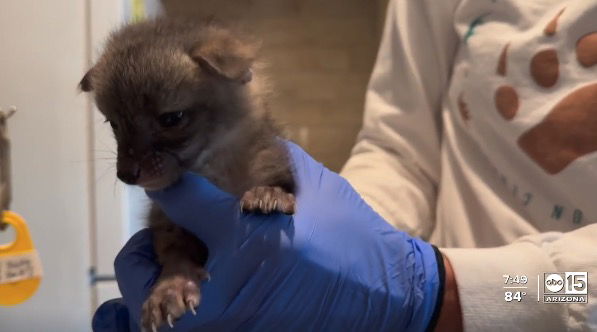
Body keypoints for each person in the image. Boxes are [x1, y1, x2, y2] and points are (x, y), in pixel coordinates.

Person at [93, 0, 597, 330]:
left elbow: (558, 291)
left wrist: (447, 290)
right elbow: (402, 147)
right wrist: (339, 255)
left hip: (545, 288)